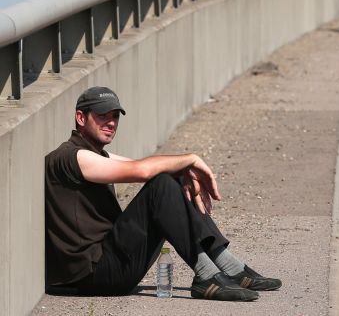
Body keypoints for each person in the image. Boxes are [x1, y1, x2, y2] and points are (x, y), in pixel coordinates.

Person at [45, 86, 281, 302]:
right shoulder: (72, 157)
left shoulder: (94, 156)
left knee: (168, 177)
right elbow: (142, 170)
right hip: (93, 275)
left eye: (115, 117)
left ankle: (228, 266)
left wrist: (180, 170)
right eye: (102, 116)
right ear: (80, 117)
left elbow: (146, 167)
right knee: (161, 184)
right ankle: (207, 274)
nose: (111, 123)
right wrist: (191, 159)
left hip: (107, 265)